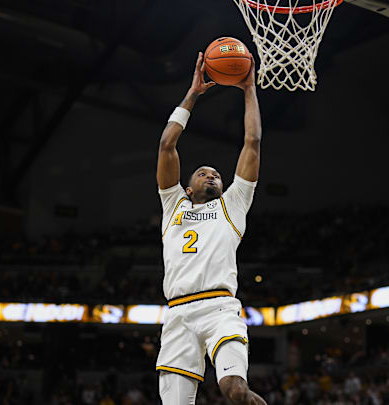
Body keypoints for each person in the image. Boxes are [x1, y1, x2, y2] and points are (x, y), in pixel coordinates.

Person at [155, 51, 266, 405]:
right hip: (177, 315)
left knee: (234, 390)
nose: (212, 175)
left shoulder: (232, 205)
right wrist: (193, 93)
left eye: (216, 173)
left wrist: (249, 89)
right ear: (188, 188)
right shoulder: (173, 204)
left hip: (219, 308)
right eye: (203, 172)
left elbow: (252, 143)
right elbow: (166, 145)